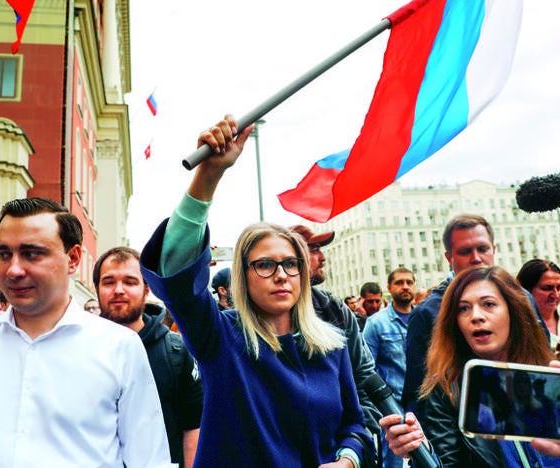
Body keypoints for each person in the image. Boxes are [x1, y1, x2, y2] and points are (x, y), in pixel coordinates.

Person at [140, 115, 375, 467]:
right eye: (265, 265)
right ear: (243, 277)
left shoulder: (332, 345)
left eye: (290, 264)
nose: (281, 275)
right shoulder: (220, 337)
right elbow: (175, 271)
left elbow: (353, 425)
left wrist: (347, 460)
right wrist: (209, 176)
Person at [0, 197, 171, 467]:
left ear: (73, 258)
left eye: (32, 253)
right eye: (4, 254)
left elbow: (147, 458)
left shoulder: (119, 347)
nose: (14, 270)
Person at [382, 266, 560, 467]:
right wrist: (424, 452)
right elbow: (448, 463)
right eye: (463, 308)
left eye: (488, 304)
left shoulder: (553, 376)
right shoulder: (447, 390)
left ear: (514, 310)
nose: (476, 316)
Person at [401, 214, 549, 418]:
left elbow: (542, 362)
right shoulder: (427, 313)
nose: (476, 258)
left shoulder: (522, 298)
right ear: (449, 258)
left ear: (493, 250)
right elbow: (418, 395)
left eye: (482, 249)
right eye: (465, 251)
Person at [94, 246, 203, 467]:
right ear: (96, 288)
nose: (118, 290)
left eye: (130, 282)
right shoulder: (81, 349)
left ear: (146, 289)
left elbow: (193, 426)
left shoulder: (176, 351)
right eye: (109, 282)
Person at [290, 224, 382, 436]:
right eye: (314, 249)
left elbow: (364, 374)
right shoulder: (263, 314)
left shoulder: (335, 310)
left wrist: (360, 436)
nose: (322, 257)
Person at [363, 267, 415, 468]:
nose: (405, 287)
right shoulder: (376, 324)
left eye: (409, 282)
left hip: (421, 407)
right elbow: (367, 370)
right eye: (399, 282)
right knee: (394, 463)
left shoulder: (423, 319)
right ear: (389, 288)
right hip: (393, 410)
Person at [517, 259, 560, 364]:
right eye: (547, 288)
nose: (555, 295)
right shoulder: (516, 326)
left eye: (559, 288)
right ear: (526, 290)